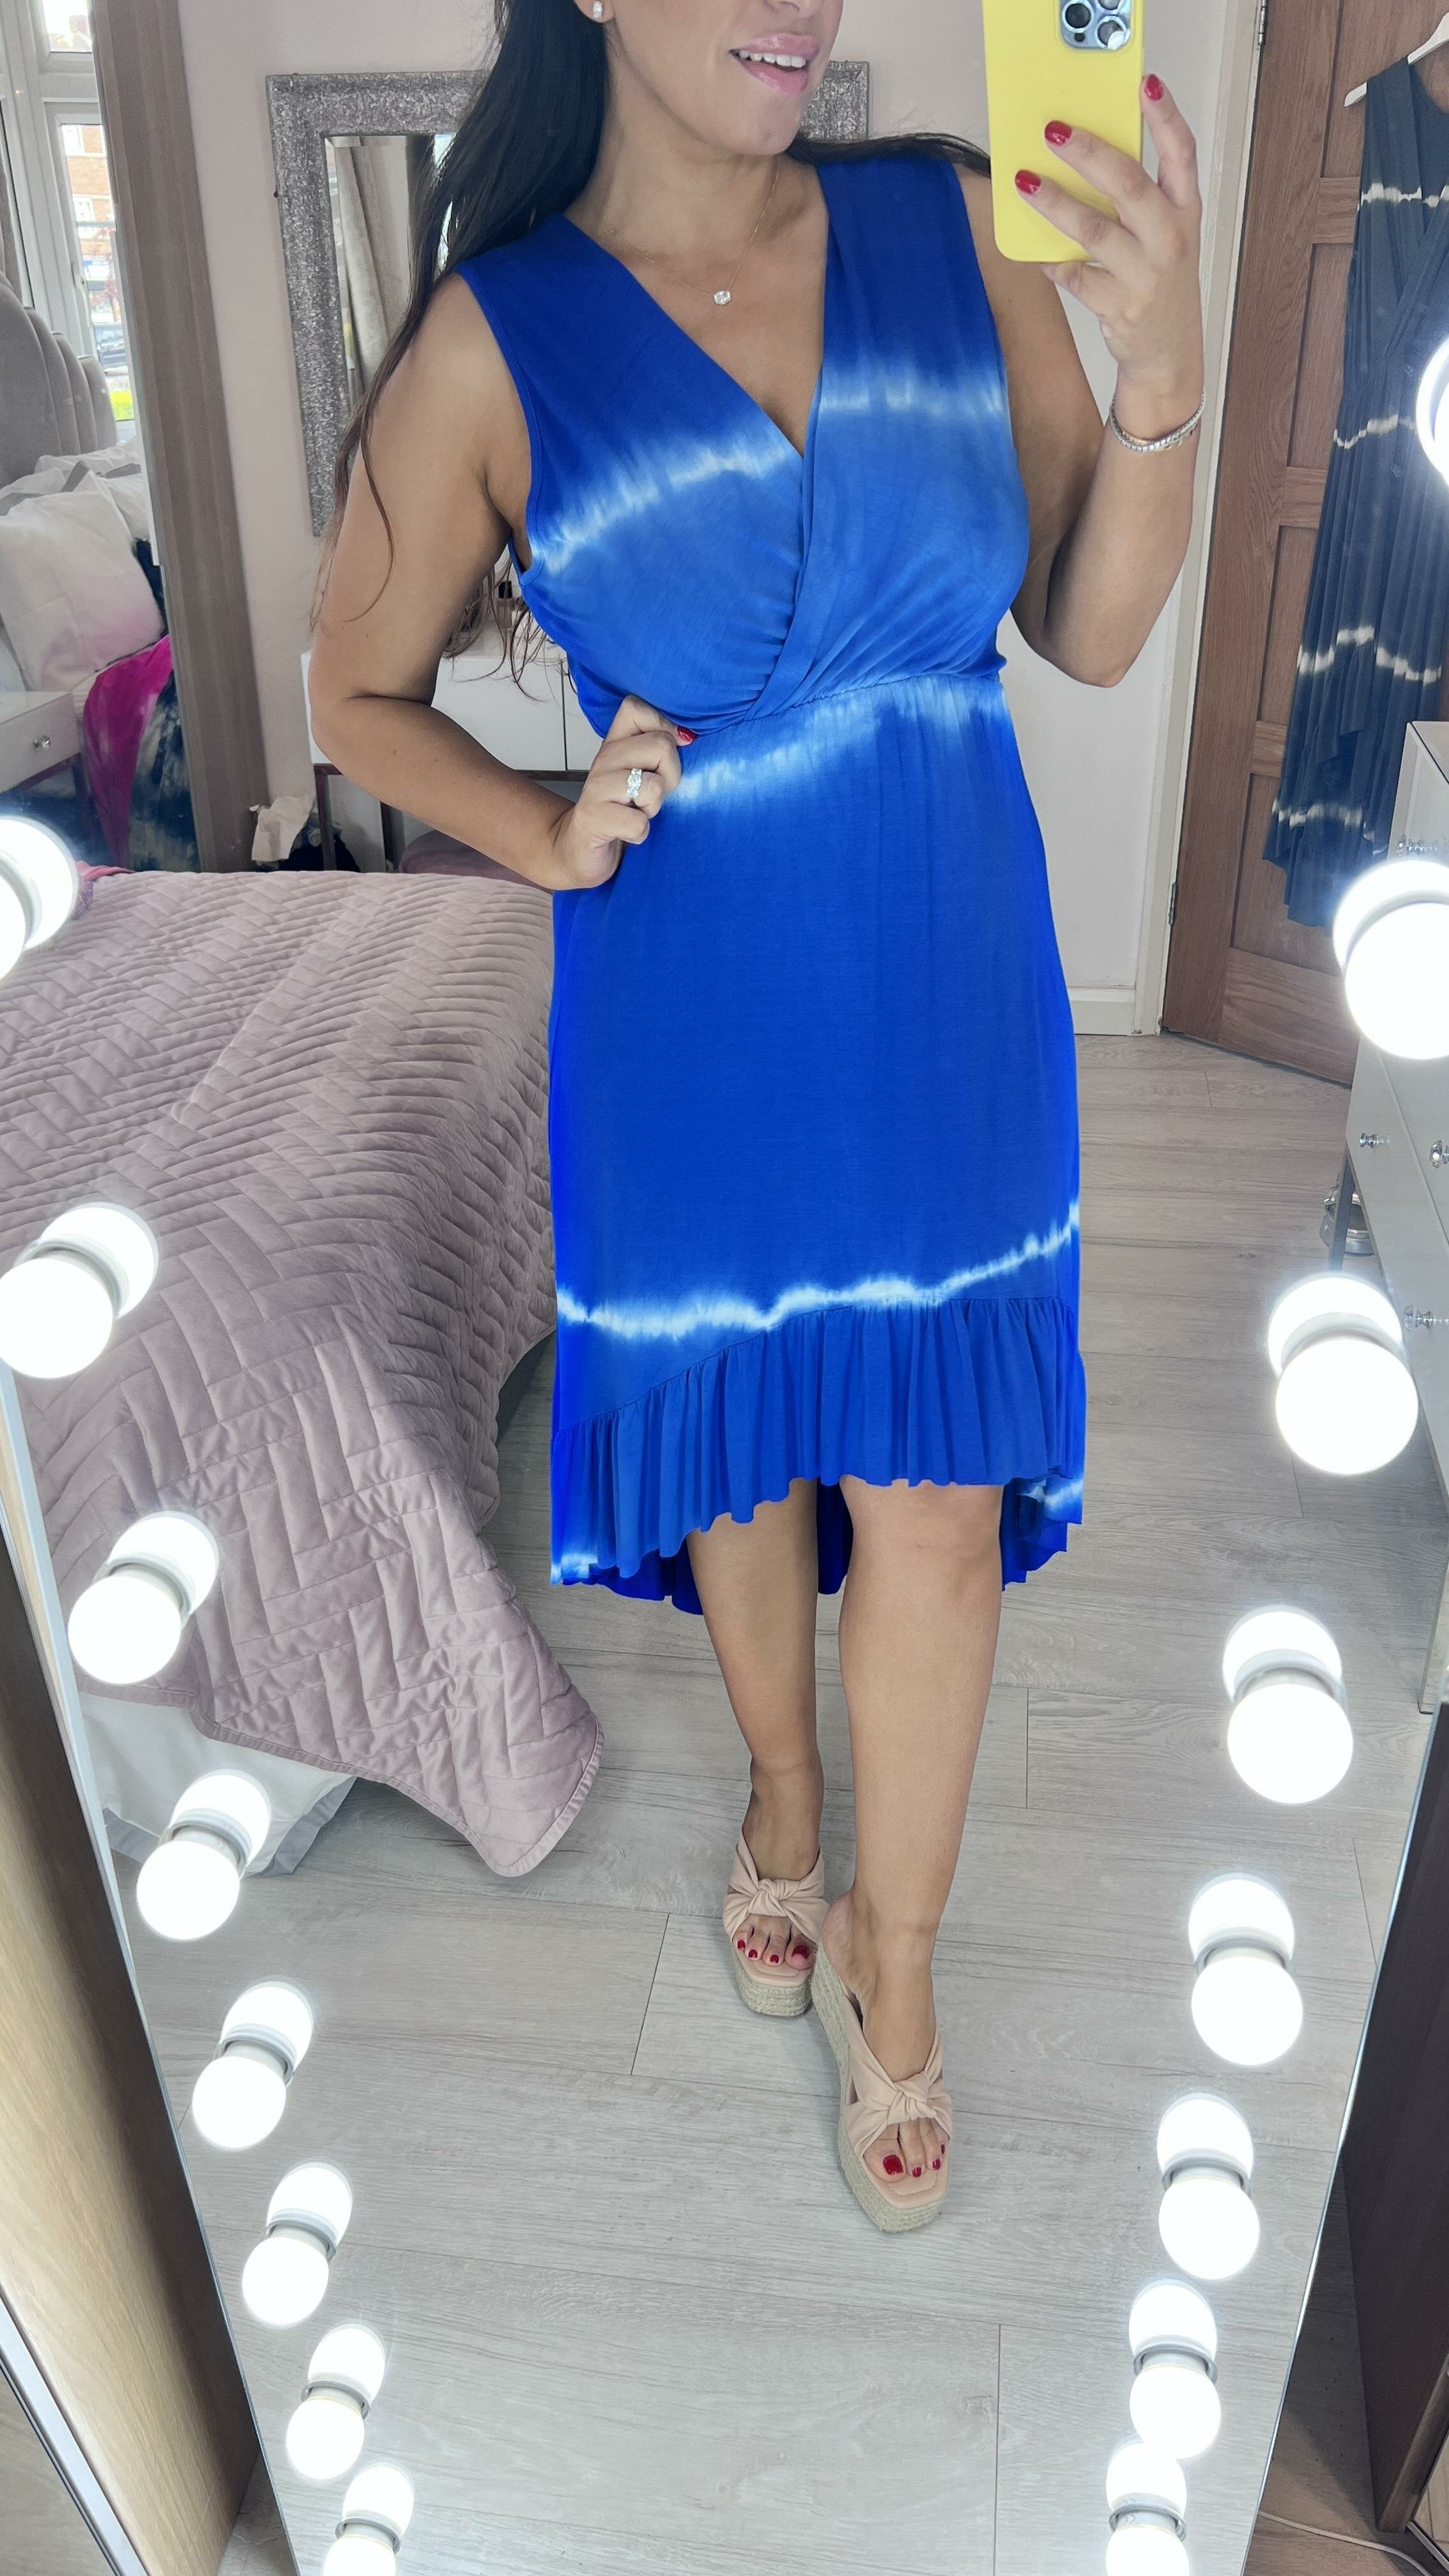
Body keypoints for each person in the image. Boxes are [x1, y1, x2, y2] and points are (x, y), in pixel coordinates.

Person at [308, 0, 1204, 2233]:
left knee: (931, 1497)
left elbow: (1087, 630)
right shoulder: (492, 343)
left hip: (943, 972)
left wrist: (1166, 373)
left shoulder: (951, 228)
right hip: (689, 990)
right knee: (740, 1441)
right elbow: (353, 691)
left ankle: (896, 1961)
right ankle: (783, 1793)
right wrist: (541, 826)